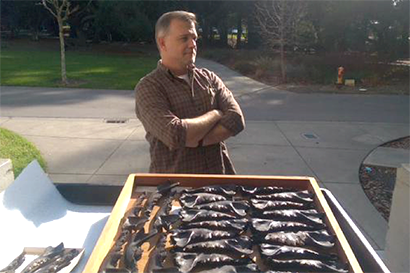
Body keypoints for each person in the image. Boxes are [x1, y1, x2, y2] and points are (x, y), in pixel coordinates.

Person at [134, 11, 245, 174]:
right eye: (184, 38)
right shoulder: (149, 87)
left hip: (220, 183)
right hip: (175, 188)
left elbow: (236, 119)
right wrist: (215, 114)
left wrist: (197, 140)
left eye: (194, 38)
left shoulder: (209, 78)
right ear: (162, 43)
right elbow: (175, 134)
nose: (193, 44)